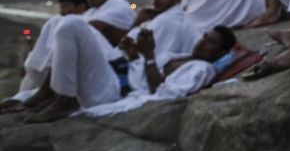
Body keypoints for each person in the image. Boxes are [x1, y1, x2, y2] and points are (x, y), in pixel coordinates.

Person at [23, 21, 235, 123]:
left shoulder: (201, 69)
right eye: (205, 36)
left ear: (220, 53)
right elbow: (144, 71)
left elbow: (161, 94)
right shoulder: (180, 56)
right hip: (117, 72)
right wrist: (134, 54)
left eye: (211, 42)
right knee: (57, 22)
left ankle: (65, 100)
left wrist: (150, 55)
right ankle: (47, 90)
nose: (203, 41)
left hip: (112, 92)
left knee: (71, 27)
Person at [0, 0, 89, 112]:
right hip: (45, 80)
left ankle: (29, 98)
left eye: (66, 6)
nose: (62, 11)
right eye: (61, 7)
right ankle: (21, 98)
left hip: (61, 83)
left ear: (81, 7)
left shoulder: (70, 23)